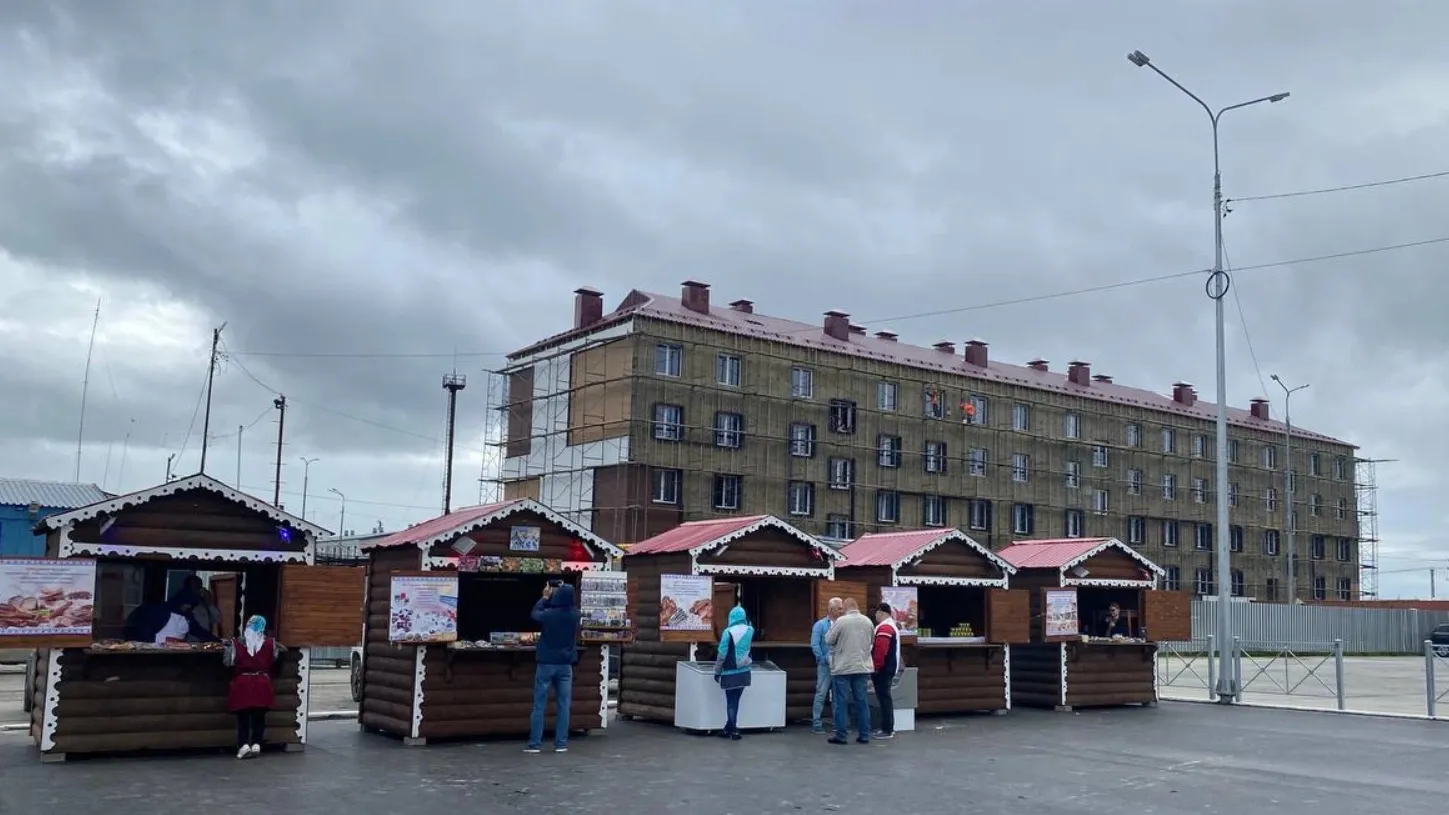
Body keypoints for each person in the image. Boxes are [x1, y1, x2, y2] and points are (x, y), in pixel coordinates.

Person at [526, 579, 581, 754]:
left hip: (546, 664)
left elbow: (535, 614)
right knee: (564, 705)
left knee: (539, 705)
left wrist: (544, 596)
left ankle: (535, 744)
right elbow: (562, 608)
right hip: (565, 665)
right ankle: (561, 743)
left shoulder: (549, 614)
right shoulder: (575, 615)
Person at [223, 615, 285, 759]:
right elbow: (275, 660)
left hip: (243, 682)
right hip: (262, 682)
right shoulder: (271, 643)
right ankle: (257, 743)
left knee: (243, 716)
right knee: (260, 716)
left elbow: (228, 662)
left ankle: (244, 744)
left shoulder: (236, 643)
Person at [824, 597, 875, 745]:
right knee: (862, 701)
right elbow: (872, 640)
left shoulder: (841, 621)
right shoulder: (868, 621)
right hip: (862, 666)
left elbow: (828, 640)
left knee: (841, 701)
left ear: (845, 607)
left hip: (843, 667)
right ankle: (864, 734)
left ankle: (841, 735)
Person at [714, 605, 755, 740]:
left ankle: (734, 730)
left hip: (730, 672)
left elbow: (721, 653)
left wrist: (717, 671)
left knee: (731, 702)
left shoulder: (728, 632)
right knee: (736, 701)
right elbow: (750, 625)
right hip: (744, 672)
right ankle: (728, 729)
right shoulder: (750, 630)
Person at [810, 597, 843, 733]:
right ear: (831, 609)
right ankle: (816, 722)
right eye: (839, 608)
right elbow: (814, 643)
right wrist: (822, 658)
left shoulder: (842, 624)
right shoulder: (820, 625)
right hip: (825, 665)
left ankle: (838, 723)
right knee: (821, 693)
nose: (842, 610)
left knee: (838, 695)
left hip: (839, 664)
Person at [871, 602, 904, 740]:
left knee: (884, 698)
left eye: (876, 613)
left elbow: (880, 650)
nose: (875, 616)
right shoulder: (891, 626)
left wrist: (876, 667)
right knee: (885, 698)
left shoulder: (885, 627)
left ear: (881, 612)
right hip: (888, 667)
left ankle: (887, 728)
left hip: (883, 669)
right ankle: (887, 727)